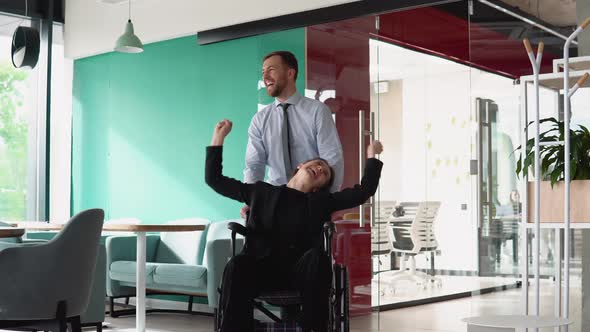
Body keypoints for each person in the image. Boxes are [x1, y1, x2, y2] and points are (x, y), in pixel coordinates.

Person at [205, 119, 383, 332]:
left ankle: (313, 328)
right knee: (237, 264)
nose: (319, 168)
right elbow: (215, 180)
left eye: (324, 172)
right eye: (317, 163)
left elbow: (364, 191)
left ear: (319, 188)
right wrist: (218, 138)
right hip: (260, 268)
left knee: (318, 258)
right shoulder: (260, 192)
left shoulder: (322, 202)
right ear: (300, 166)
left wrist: (372, 155)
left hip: (300, 273)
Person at [242, 50, 344, 217]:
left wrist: (329, 202)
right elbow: (254, 166)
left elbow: (332, 159)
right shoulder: (259, 120)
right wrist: (251, 201)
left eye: (271, 70)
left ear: (290, 73)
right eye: (263, 72)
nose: (265, 77)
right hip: (273, 202)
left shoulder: (317, 111)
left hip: (310, 202)